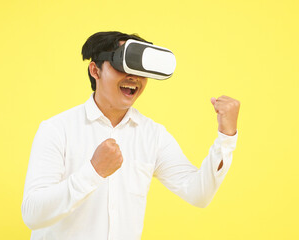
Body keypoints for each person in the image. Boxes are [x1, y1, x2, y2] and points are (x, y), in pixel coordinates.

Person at [21, 31, 240, 240]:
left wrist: (226, 137)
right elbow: (32, 214)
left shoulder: (153, 135)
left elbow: (198, 193)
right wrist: (93, 171)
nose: (134, 77)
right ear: (95, 71)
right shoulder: (57, 129)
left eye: (140, 68)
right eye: (123, 65)